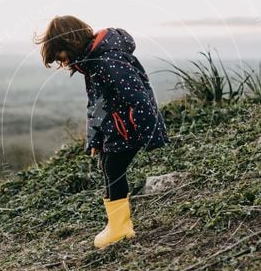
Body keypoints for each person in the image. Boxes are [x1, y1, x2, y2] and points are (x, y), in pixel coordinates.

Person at [35, 15, 170, 248]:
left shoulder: (107, 60)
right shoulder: (92, 63)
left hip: (127, 129)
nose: (62, 61)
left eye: (60, 54)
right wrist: (95, 139)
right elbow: (97, 106)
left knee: (113, 169)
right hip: (114, 130)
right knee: (108, 167)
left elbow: (138, 97)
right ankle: (117, 224)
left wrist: (151, 134)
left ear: (71, 42)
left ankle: (120, 228)